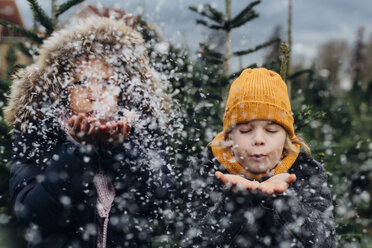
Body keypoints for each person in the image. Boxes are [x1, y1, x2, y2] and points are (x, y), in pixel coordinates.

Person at [5, 17, 176, 248]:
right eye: (81, 82)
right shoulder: (40, 130)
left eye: (106, 83)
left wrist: (120, 151)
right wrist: (76, 151)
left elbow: (161, 204)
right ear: (63, 87)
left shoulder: (140, 131)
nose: (94, 94)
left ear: (122, 88)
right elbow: (32, 213)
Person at [183, 68, 336, 247]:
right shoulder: (207, 170)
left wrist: (284, 199)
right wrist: (234, 200)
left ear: (286, 137)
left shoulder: (306, 171)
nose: (258, 139)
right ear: (229, 136)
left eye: (271, 130)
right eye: (246, 130)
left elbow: (325, 241)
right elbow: (194, 241)